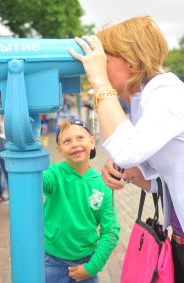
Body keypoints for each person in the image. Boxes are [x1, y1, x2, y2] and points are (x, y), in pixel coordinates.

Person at [70, 16, 184, 283]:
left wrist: (100, 83)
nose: (99, 64)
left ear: (129, 60)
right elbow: (160, 181)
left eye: (105, 57)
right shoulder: (145, 98)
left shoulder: (166, 94)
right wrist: (129, 172)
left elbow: (127, 151)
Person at [43, 118, 120, 283]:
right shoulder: (53, 174)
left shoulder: (103, 185)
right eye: (67, 141)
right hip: (51, 262)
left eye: (80, 138)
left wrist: (91, 267)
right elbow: (36, 182)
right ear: (59, 149)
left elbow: (111, 231)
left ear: (92, 142)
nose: (75, 144)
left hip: (86, 263)